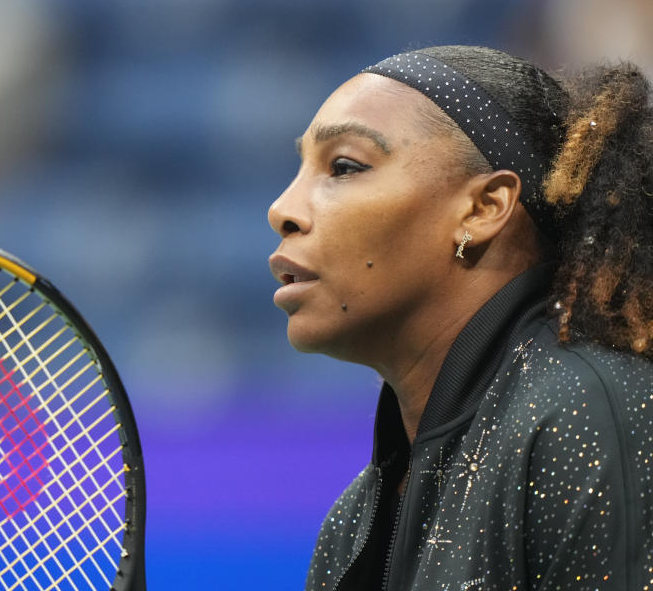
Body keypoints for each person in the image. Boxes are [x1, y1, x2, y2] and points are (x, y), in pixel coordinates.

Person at [267, 45, 653, 590]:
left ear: (484, 208)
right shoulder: (351, 526)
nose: (282, 208)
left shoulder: (591, 417)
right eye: (301, 167)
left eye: (344, 166)